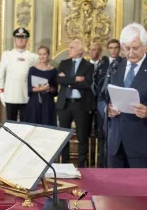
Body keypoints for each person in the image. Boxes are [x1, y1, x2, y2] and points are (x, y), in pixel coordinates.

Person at [98, 22, 147, 168]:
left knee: (140, 183)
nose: (131, 53)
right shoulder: (115, 66)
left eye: (135, 48)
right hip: (115, 144)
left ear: (145, 46)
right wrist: (107, 109)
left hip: (142, 145)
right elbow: (102, 99)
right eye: (127, 48)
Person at [56, 38, 94, 167]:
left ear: (80, 51)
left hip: (80, 105)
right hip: (64, 104)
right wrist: (76, 79)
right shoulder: (63, 63)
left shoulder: (88, 66)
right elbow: (59, 80)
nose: (69, 50)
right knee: (64, 136)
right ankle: (65, 165)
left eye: (72, 47)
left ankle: (82, 166)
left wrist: (68, 81)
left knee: (82, 137)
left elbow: (87, 84)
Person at [0, 27, 38, 121]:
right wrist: (1, 93)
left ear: (27, 40)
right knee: (11, 124)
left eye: (23, 37)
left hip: (26, 96)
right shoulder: (7, 55)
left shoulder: (33, 57)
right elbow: (0, 75)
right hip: (10, 95)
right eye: (18, 37)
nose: (20, 40)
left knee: (26, 124)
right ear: (14, 39)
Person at [93, 39, 122, 167]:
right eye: (111, 48)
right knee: (101, 135)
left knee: (113, 137)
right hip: (103, 104)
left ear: (119, 49)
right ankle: (101, 164)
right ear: (107, 49)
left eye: (116, 47)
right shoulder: (102, 64)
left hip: (116, 106)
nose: (114, 50)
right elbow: (96, 83)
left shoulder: (123, 63)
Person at [26, 46, 57, 125]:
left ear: (48, 55)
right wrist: (40, 89)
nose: (42, 56)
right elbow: (29, 88)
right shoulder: (32, 69)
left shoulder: (54, 71)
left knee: (47, 125)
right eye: (40, 54)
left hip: (48, 102)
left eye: (44, 54)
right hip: (34, 102)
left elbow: (55, 91)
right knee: (33, 125)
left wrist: (50, 89)